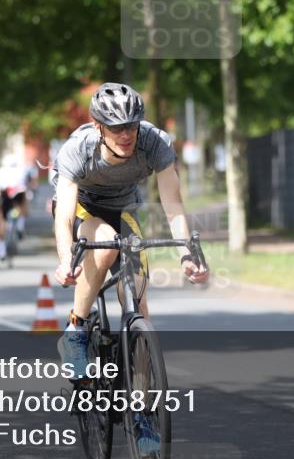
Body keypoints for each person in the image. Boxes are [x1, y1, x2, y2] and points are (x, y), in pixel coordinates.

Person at [51, 83, 208, 369]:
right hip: (83, 207)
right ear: (98, 127)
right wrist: (66, 260)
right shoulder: (78, 148)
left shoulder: (155, 143)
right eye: (116, 128)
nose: (125, 135)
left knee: (138, 301)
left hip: (124, 208)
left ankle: (142, 389)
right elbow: (64, 216)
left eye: (131, 126)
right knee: (107, 244)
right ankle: (75, 330)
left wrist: (186, 254)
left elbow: (173, 205)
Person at [0, 153, 35, 260]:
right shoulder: (22, 170)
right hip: (19, 194)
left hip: (5, 194)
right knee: (23, 201)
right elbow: (27, 187)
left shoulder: (0, 172)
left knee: (2, 221)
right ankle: (21, 225)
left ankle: (2, 251)